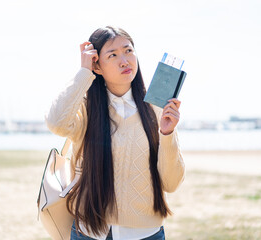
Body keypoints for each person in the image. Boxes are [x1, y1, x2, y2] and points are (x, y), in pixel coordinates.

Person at [45, 26, 185, 240]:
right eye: (112, 55)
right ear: (97, 66)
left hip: (146, 234)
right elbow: (56, 122)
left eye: (128, 51)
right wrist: (84, 73)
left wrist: (167, 134)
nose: (125, 60)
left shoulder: (157, 109)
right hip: (89, 233)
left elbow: (171, 184)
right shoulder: (85, 109)